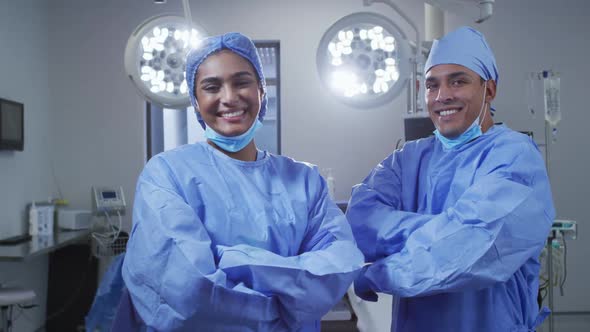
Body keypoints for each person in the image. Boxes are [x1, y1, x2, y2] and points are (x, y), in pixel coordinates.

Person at [121, 32, 364, 331]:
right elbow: (186, 291)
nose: (229, 97)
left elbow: (335, 268)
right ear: (196, 101)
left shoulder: (304, 181)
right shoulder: (166, 174)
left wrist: (226, 258)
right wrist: (285, 294)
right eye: (212, 87)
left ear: (262, 91)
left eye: (241, 82)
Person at [346, 26, 555, 332]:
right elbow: (360, 221)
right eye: (432, 86)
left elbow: (470, 253)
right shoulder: (408, 159)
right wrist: (451, 229)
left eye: (458, 81)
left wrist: (376, 274)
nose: (442, 96)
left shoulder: (516, 157)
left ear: (490, 89)